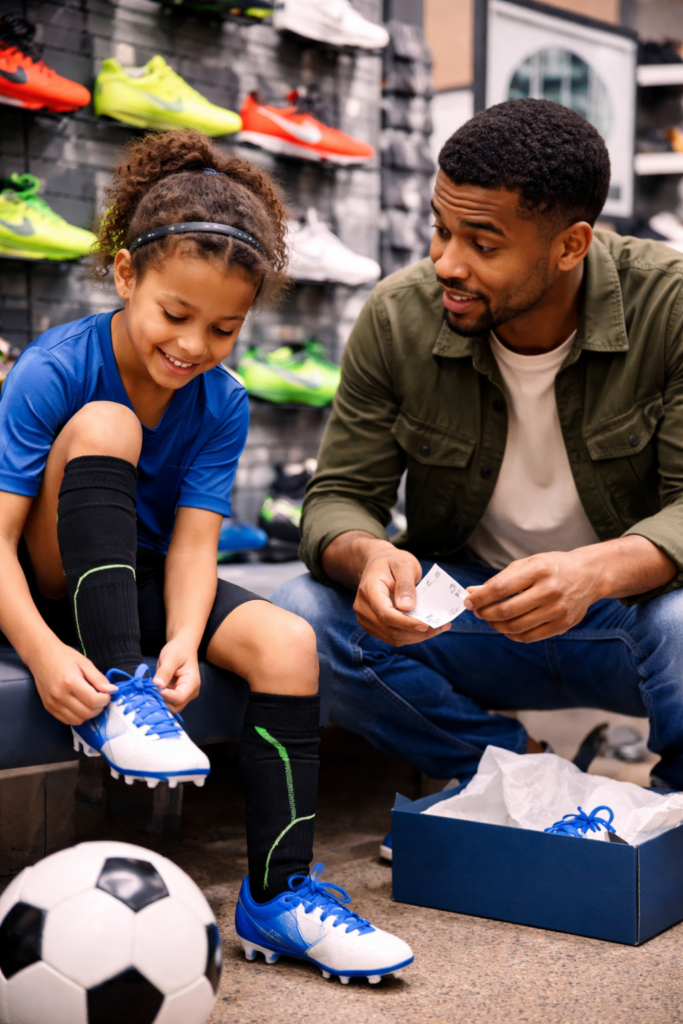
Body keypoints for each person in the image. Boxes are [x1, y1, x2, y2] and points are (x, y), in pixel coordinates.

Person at [0, 129, 412, 981]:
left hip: (138, 577)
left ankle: (279, 895)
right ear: (124, 276)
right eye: (175, 315)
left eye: (224, 327)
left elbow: (192, 546)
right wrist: (44, 655)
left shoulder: (221, 400)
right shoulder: (53, 369)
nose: (193, 345)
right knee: (108, 424)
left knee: (288, 642)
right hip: (41, 583)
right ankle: (120, 694)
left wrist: (184, 640)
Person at [272, 98, 683, 857]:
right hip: (472, 613)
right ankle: (504, 778)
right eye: (440, 228)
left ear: (570, 246)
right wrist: (366, 555)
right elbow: (336, 498)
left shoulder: (670, 304)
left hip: (633, 622)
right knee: (298, 613)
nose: (445, 263)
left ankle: (664, 826)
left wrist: (592, 572)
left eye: (481, 243)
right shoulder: (399, 317)